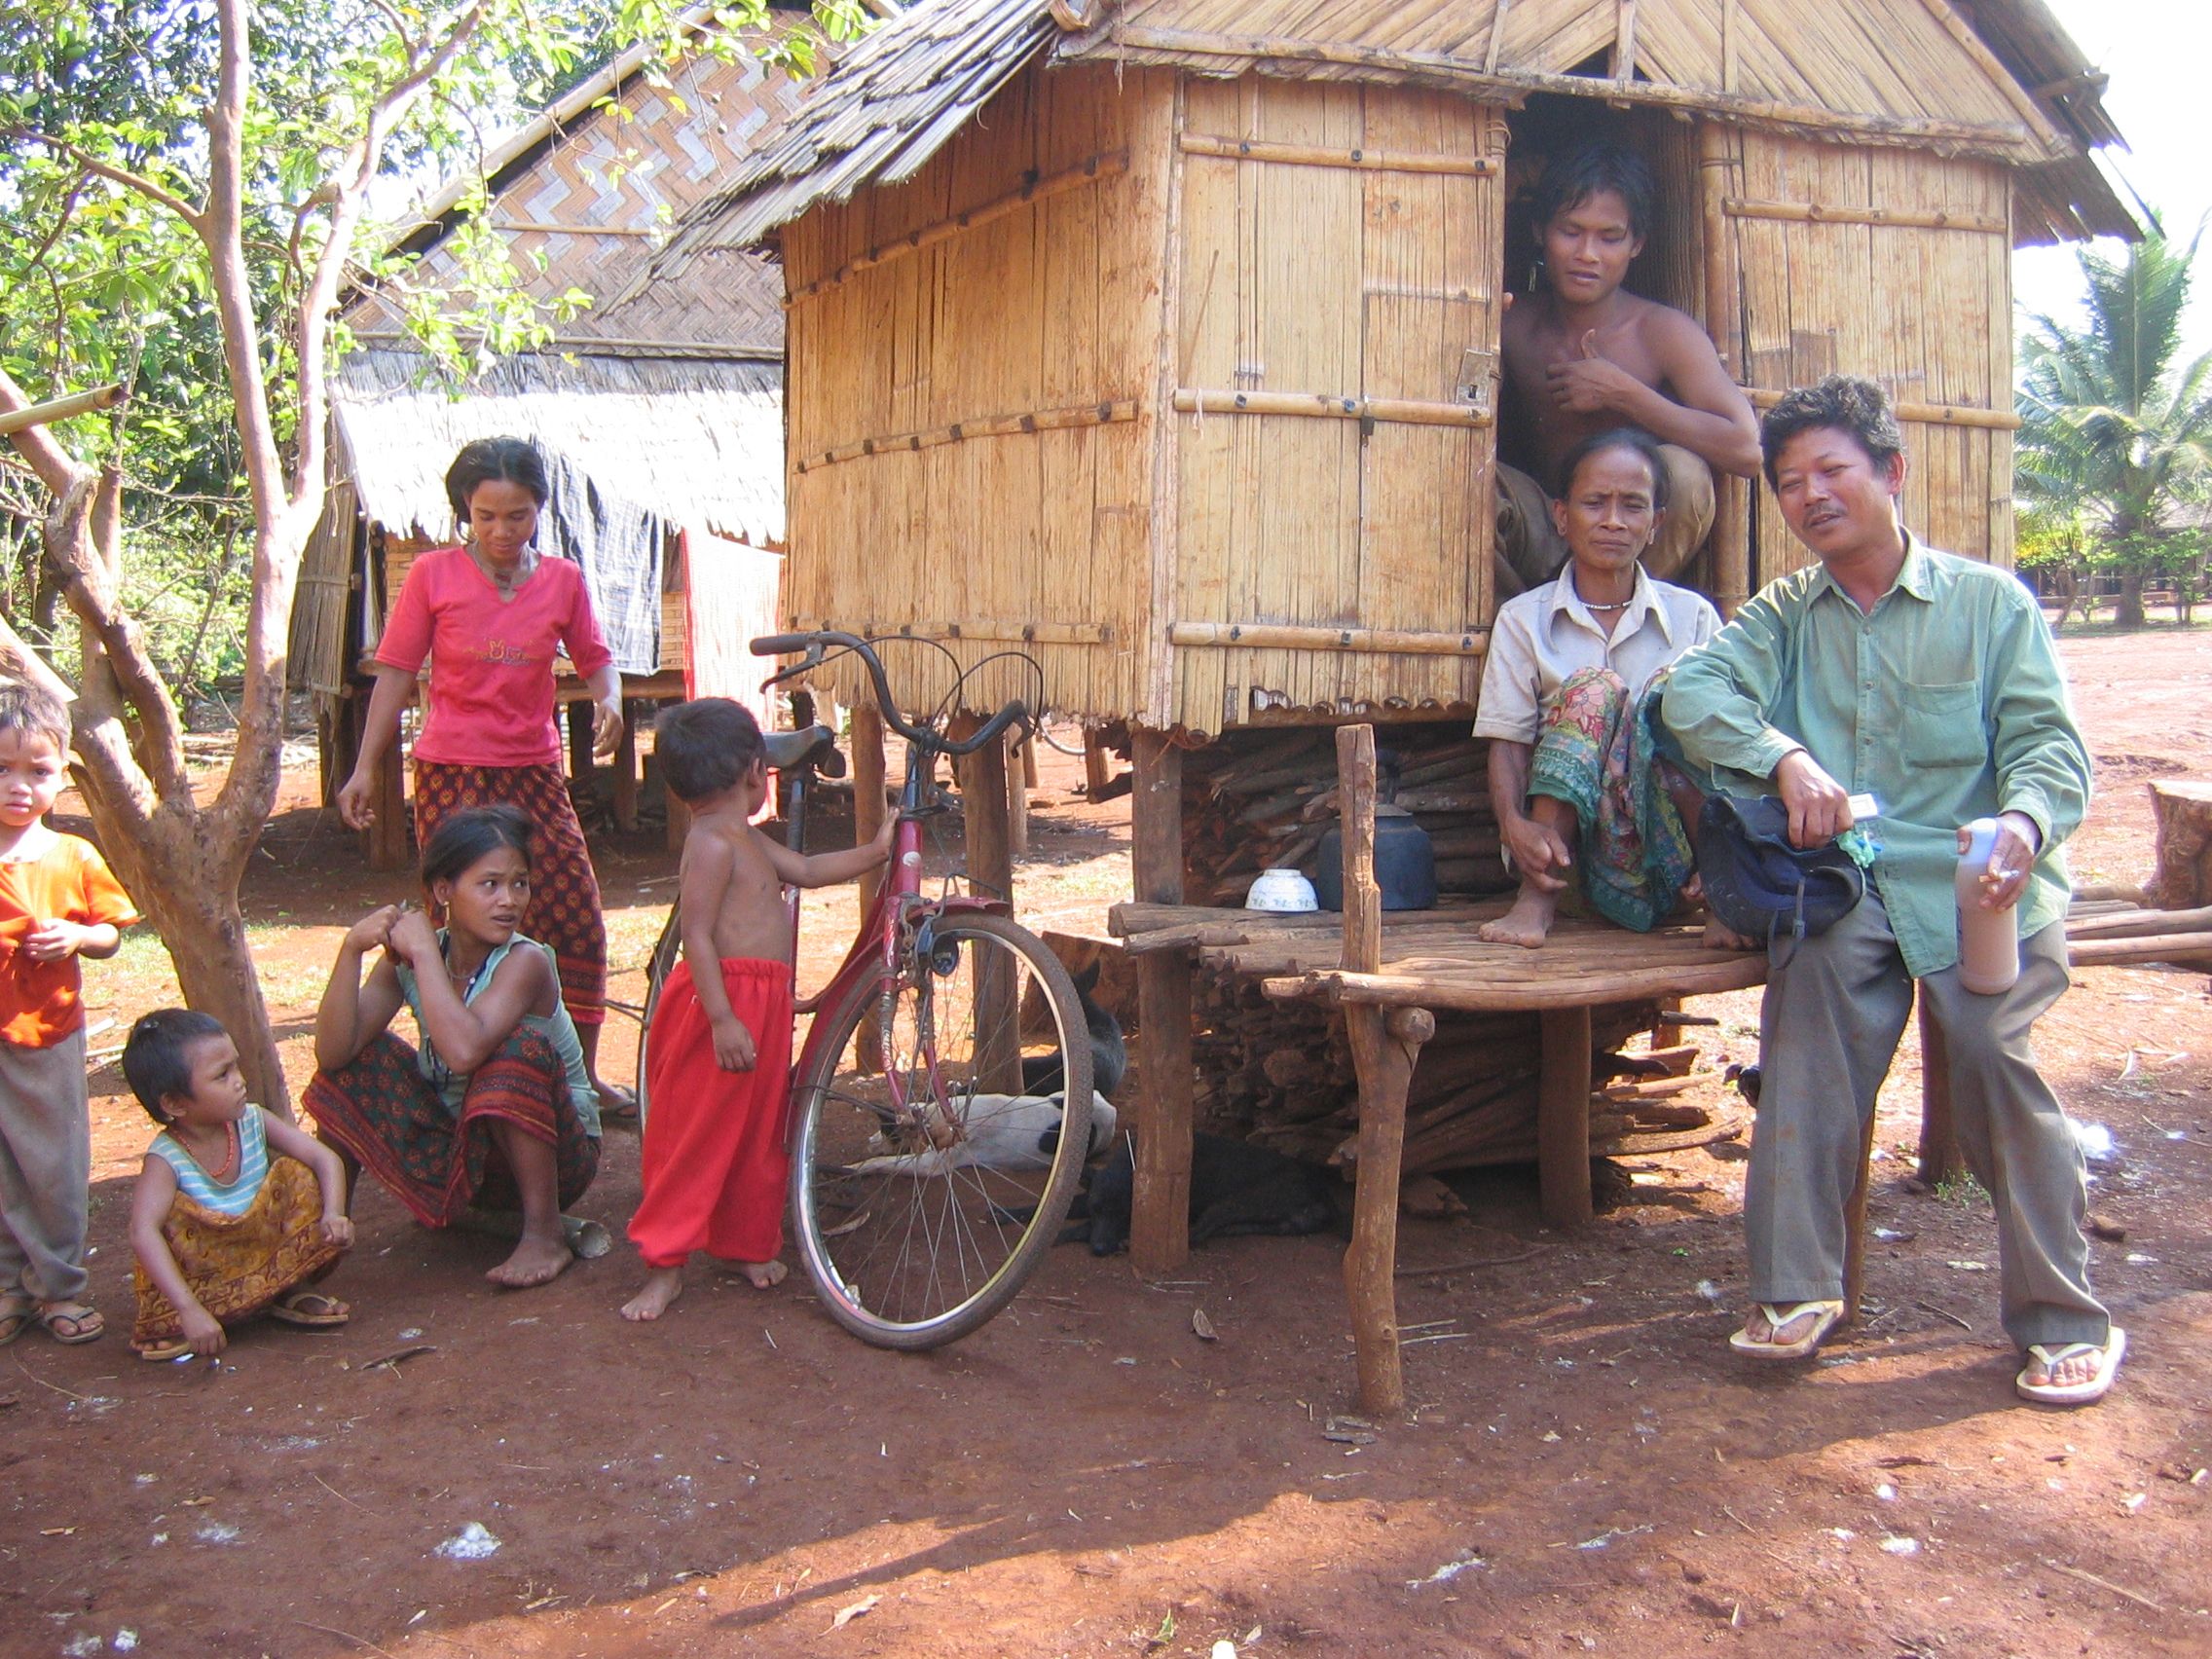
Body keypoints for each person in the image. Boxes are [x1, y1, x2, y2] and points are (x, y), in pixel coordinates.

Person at [1661, 375, 2120, 1406]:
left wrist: (2023, 824)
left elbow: (2051, 750)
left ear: (1891, 474)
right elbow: (1685, 692)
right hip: (1847, 883)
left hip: (1979, 880)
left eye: (1831, 470)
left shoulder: (1989, 605)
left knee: (1998, 1058)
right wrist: (1782, 757)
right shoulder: (1784, 614)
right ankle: (1794, 1292)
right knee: (1806, 1030)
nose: (1811, 495)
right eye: (1789, 483)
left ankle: (2061, 1317)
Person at [334, 437, 634, 1120]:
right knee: (458, 927)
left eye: (518, 516)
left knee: (575, 918)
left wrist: (609, 698)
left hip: (533, 771)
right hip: (452, 774)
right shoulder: (433, 577)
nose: (502, 531)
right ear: (465, 511)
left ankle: (578, 1077)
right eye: (486, 515)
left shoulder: (562, 581)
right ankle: (454, 1074)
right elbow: (395, 674)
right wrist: (361, 769)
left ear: (539, 513)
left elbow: (596, 657)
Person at [620, 699, 893, 1322]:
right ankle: (663, 1264)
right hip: (720, 1008)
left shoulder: (742, 837)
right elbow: (698, 936)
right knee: (695, 1134)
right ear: (753, 770)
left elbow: (809, 869)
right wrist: (721, 1018)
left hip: (759, 1005)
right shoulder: (713, 846)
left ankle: (742, 1243)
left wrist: (875, 851)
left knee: (757, 1131)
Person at [308, 805, 602, 1288]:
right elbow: (334, 1055)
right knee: (356, 1067)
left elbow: (466, 1051)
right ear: (444, 891)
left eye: (520, 883)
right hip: (461, 1154)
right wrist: (350, 951)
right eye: (490, 884)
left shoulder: (525, 963)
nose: (509, 900)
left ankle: (545, 1233)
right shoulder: (413, 960)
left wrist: (423, 952)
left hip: (556, 1159)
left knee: (514, 1052)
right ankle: (325, 1225)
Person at [1474, 428, 1721, 947]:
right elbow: (1508, 743)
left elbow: (1723, 748)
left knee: (1674, 710)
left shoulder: (1693, 618)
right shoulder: (1524, 620)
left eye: (1632, 506)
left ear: (1655, 524)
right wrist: (1512, 825)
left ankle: (1724, 896)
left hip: (1671, 861)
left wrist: (1725, 865)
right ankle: (1534, 902)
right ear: (1563, 517)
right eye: (1595, 503)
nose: (1613, 520)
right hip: (1569, 864)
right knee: (1593, 691)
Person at [1496, 143, 1760, 596]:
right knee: (1477, 482)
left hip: (1634, 544)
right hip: (1543, 527)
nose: (1588, 253)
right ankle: (1526, 627)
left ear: (1636, 244)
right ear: (1540, 231)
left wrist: (1625, 395)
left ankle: (1621, 613)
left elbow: (1747, 450)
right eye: (1571, 231)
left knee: (1686, 474)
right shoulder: (1511, 322)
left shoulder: (1661, 332)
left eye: (1609, 237)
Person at [0, 682, 137, 1348]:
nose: (18, 786)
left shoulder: (72, 855)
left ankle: (57, 1285)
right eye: (1, 768)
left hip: (47, 1031)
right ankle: (7, 1288)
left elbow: (112, 933)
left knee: (53, 1165)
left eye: (38, 770)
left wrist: (75, 937)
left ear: (62, 776)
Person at [124, 1009, 354, 1361]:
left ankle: (287, 1289)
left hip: (262, 1250)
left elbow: (325, 1159)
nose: (239, 1081)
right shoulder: (166, 1157)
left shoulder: (254, 1120)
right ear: (173, 1102)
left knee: (295, 1175)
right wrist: (187, 1308)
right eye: (222, 1075)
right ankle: (188, 1315)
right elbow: (143, 1231)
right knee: (171, 1221)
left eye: (236, 1066)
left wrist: (335, 1214)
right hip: (207, 1276)